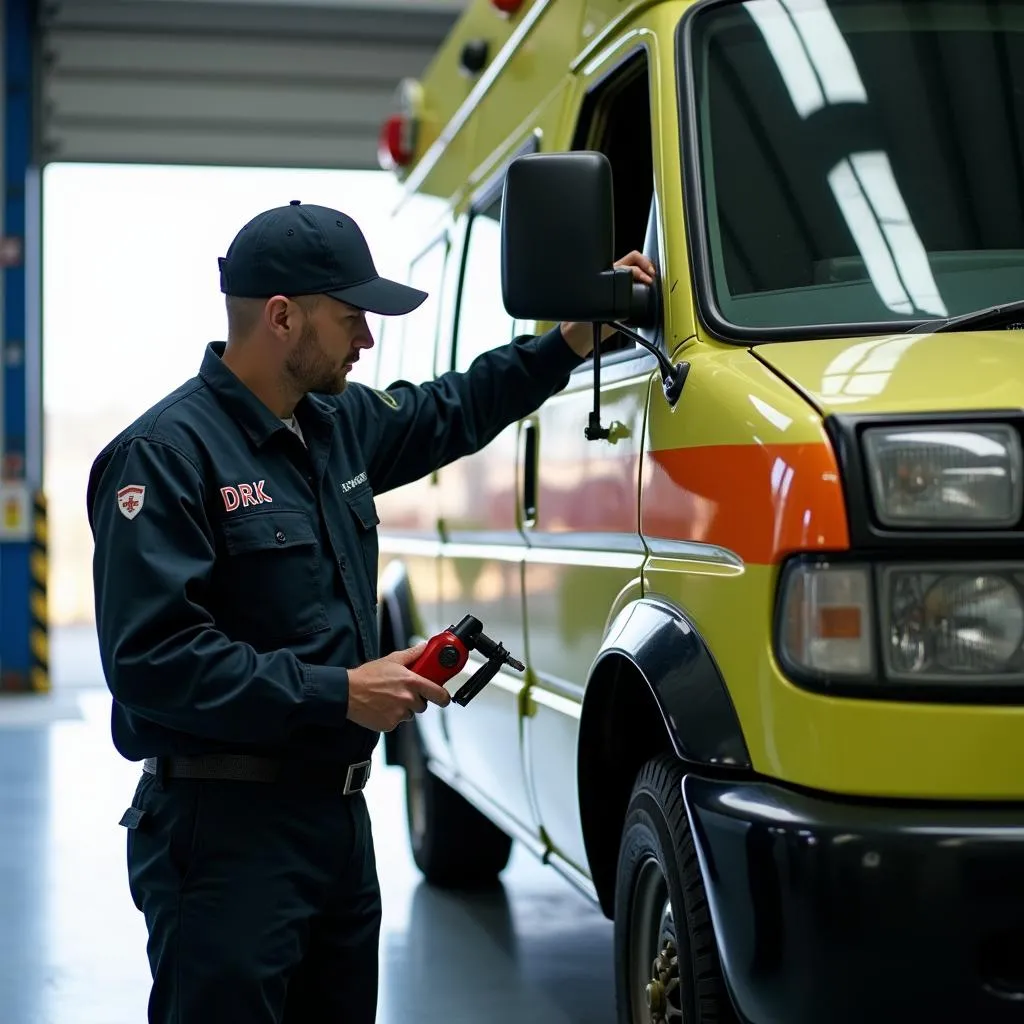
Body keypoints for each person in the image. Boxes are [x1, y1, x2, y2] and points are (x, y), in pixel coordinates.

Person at [86, 198, 655, 1024]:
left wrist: (566, 343)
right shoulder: (167, 456)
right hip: (226, 838)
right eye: (352, 318)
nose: (367, 339)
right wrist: (339, 693)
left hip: (338, 826)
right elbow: (152, 663)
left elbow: (451, 407)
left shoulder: (333, 427)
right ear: (282, 318)